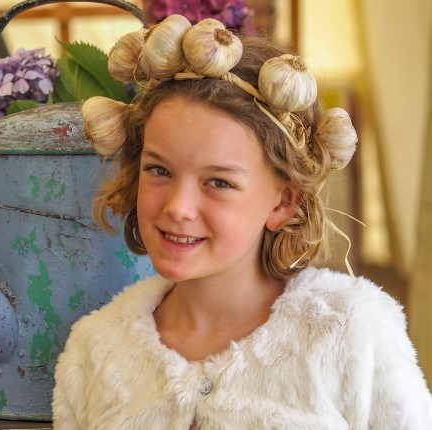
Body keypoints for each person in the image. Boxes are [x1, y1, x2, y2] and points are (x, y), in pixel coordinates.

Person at [52, 15, 432, 429]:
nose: (179, 207)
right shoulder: (96, 350)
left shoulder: (351, 332)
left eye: (218, 181)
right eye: (159, 170)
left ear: (284, 202)